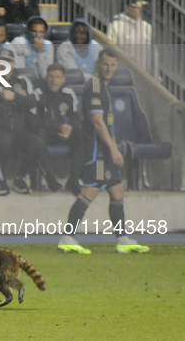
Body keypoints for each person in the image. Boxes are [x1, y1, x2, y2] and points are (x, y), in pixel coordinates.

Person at [58, 49, 150, 255]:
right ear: (98, 64)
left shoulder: (105, 87)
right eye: (105, 64)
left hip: (106, 152)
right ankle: (67, 237)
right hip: (96, 151)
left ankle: (123, 239)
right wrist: (112, 148)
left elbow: (108, 124)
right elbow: (98, 122)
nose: (109, 69)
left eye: (112, 65)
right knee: (89, 192)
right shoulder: (95, 86)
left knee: (117, 192)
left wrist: (114, 147)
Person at [0, 48, 61, 195]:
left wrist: (15, 97)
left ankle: (19, 179)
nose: (3, 66)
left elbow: (32, 102)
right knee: (1, 140)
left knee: (37, 142)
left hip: (18, 130)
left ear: (13, 64)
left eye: (6, 63)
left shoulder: (23, 80)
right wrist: (8, 100)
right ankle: (1, 181)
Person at [31, 64, 82, 196]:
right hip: (45, 132)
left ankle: (74, 180)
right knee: (37, 138)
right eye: (51, 76)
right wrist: (57, 129)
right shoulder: (38, 92)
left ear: (63, 79)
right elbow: (35, 122)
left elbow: (76, 118)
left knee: (82, 136)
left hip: (61, 132)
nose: (54, 80)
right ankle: (50, 180)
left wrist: (69, 128)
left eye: (58, 77)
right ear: (46, 77)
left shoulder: (68, 93)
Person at [107, 0, 152, 71]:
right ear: (127, 9)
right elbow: (110, 49)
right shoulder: (116, 26)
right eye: (136, 7)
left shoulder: (147, 27)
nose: (140, 9)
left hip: (143, 73)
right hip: (122, 71)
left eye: (140, 6)